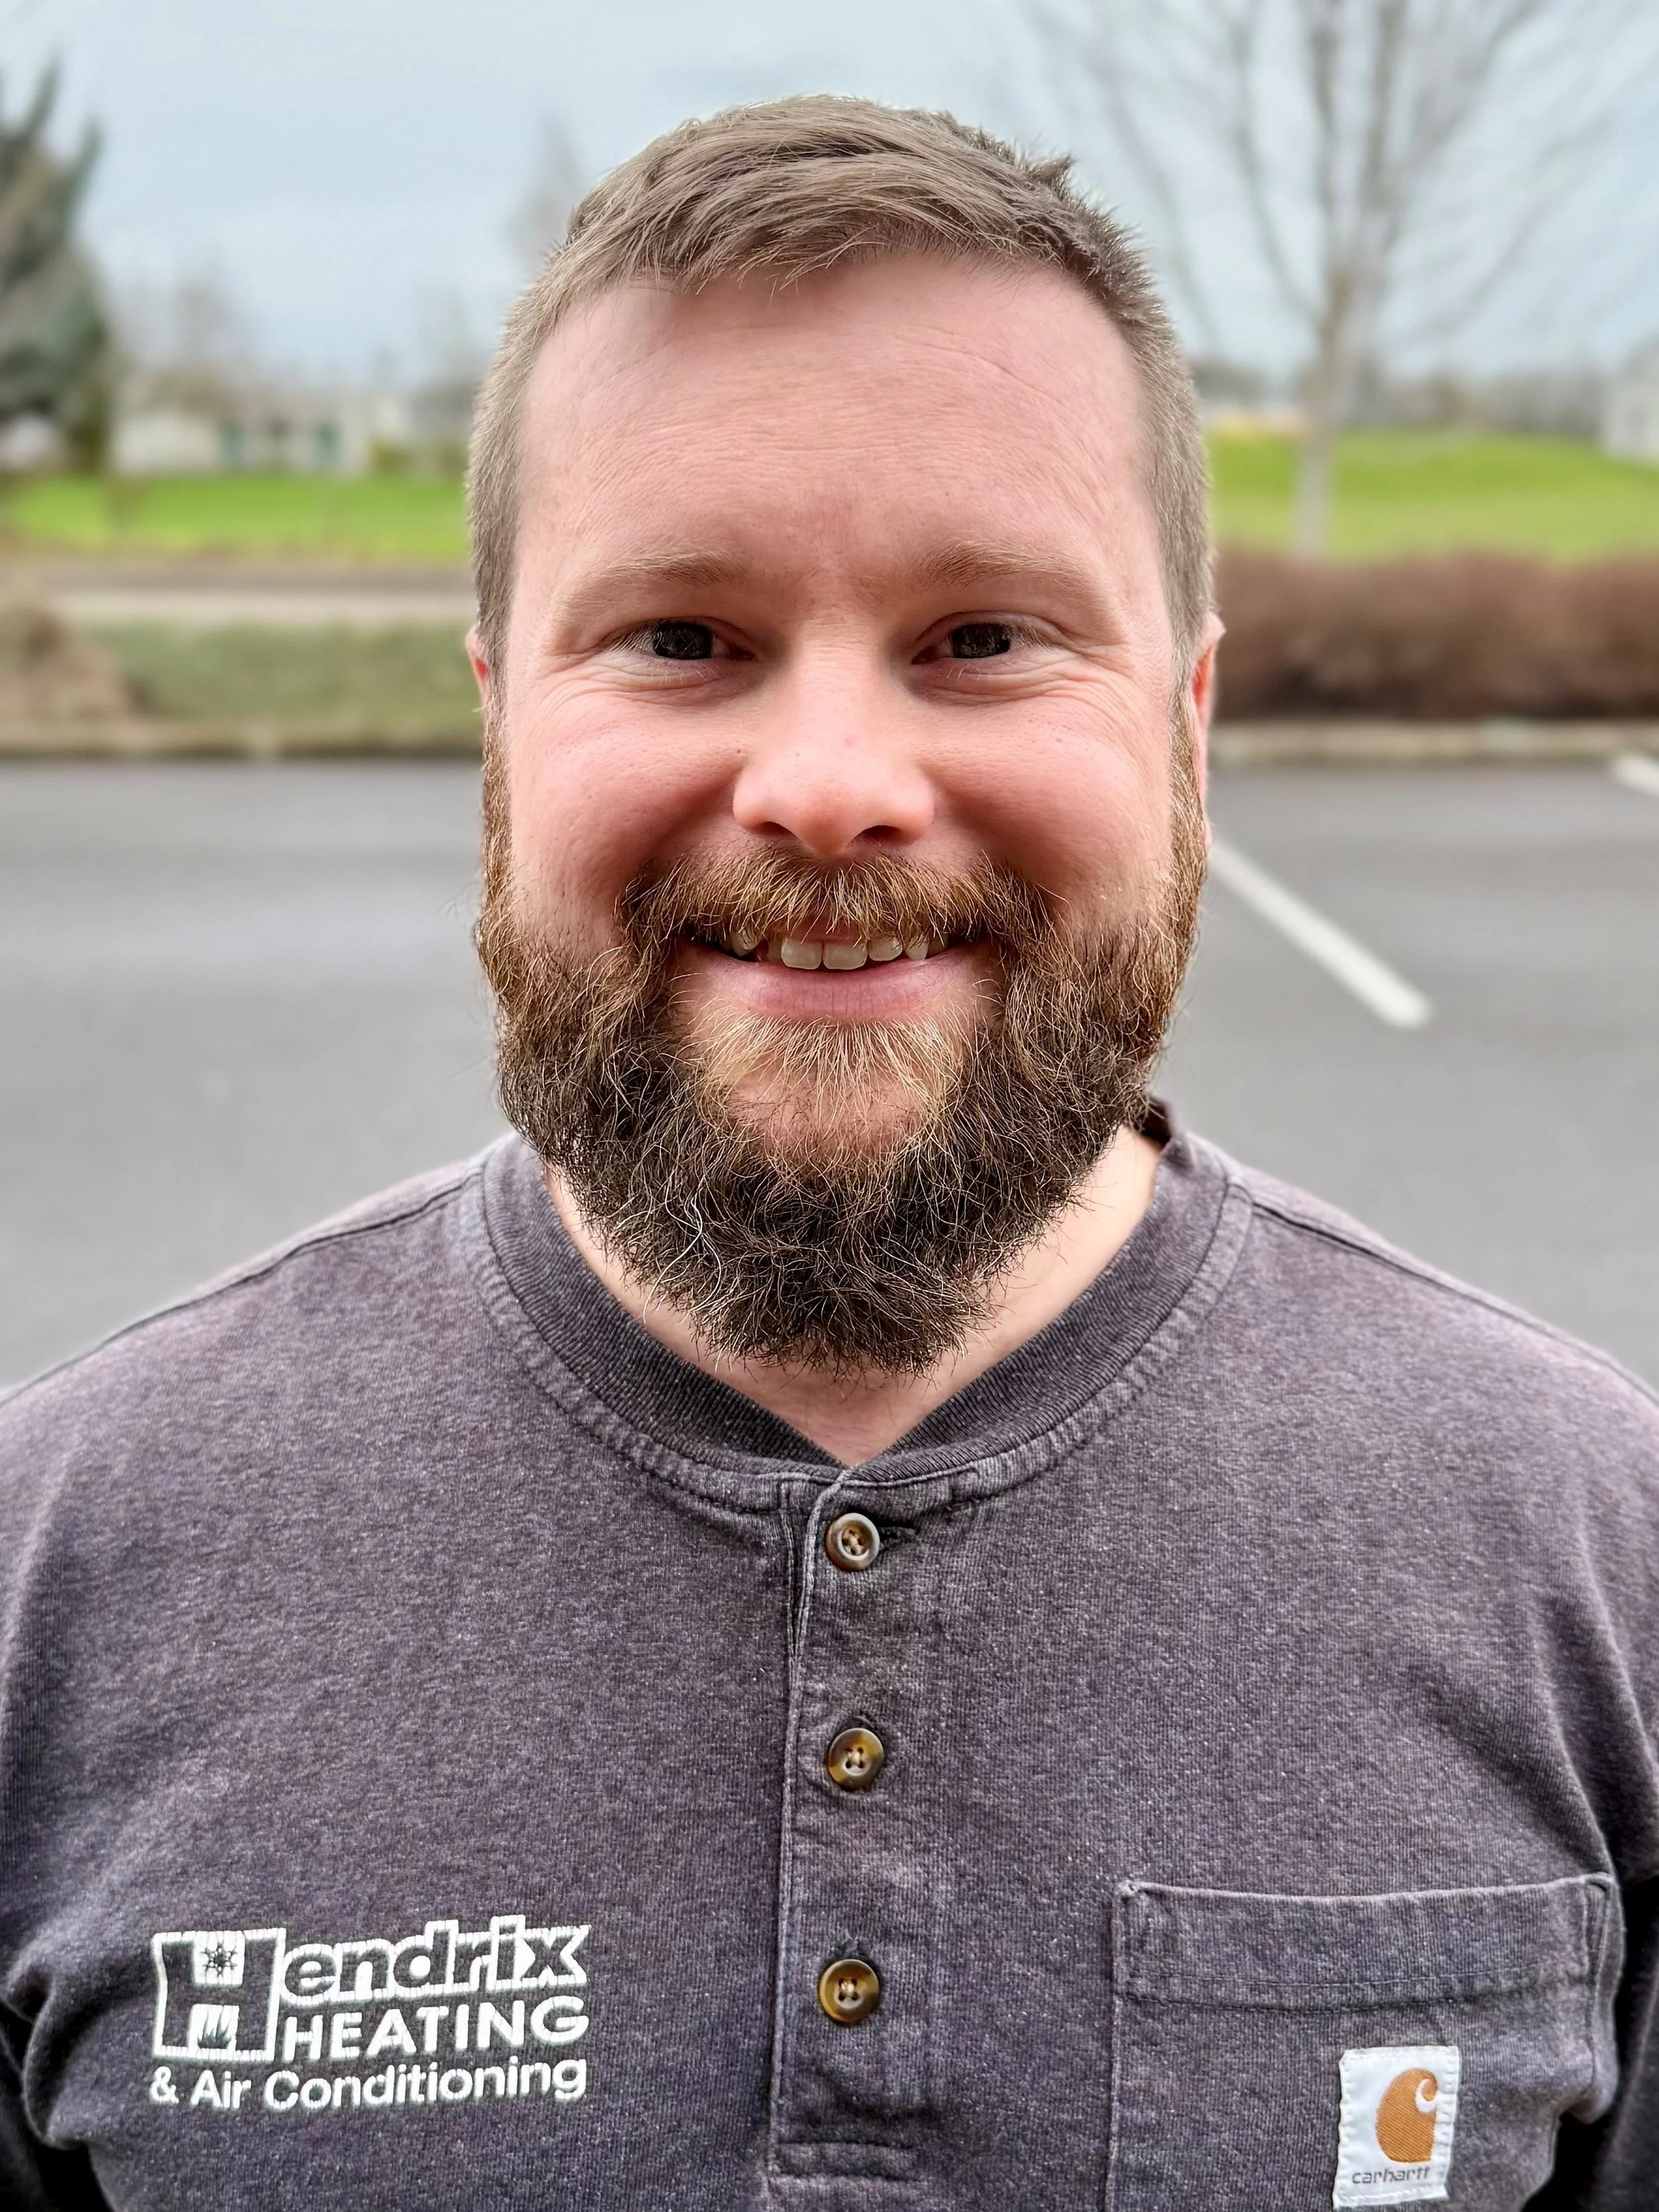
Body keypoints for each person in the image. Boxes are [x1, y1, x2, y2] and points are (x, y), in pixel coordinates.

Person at [1, 96, 1656, 2212]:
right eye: (682, 637)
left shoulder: (1590, 1566)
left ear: (1186, 723)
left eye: (981, 637)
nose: (830, 784)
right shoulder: (53, 1586)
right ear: (498, 721)